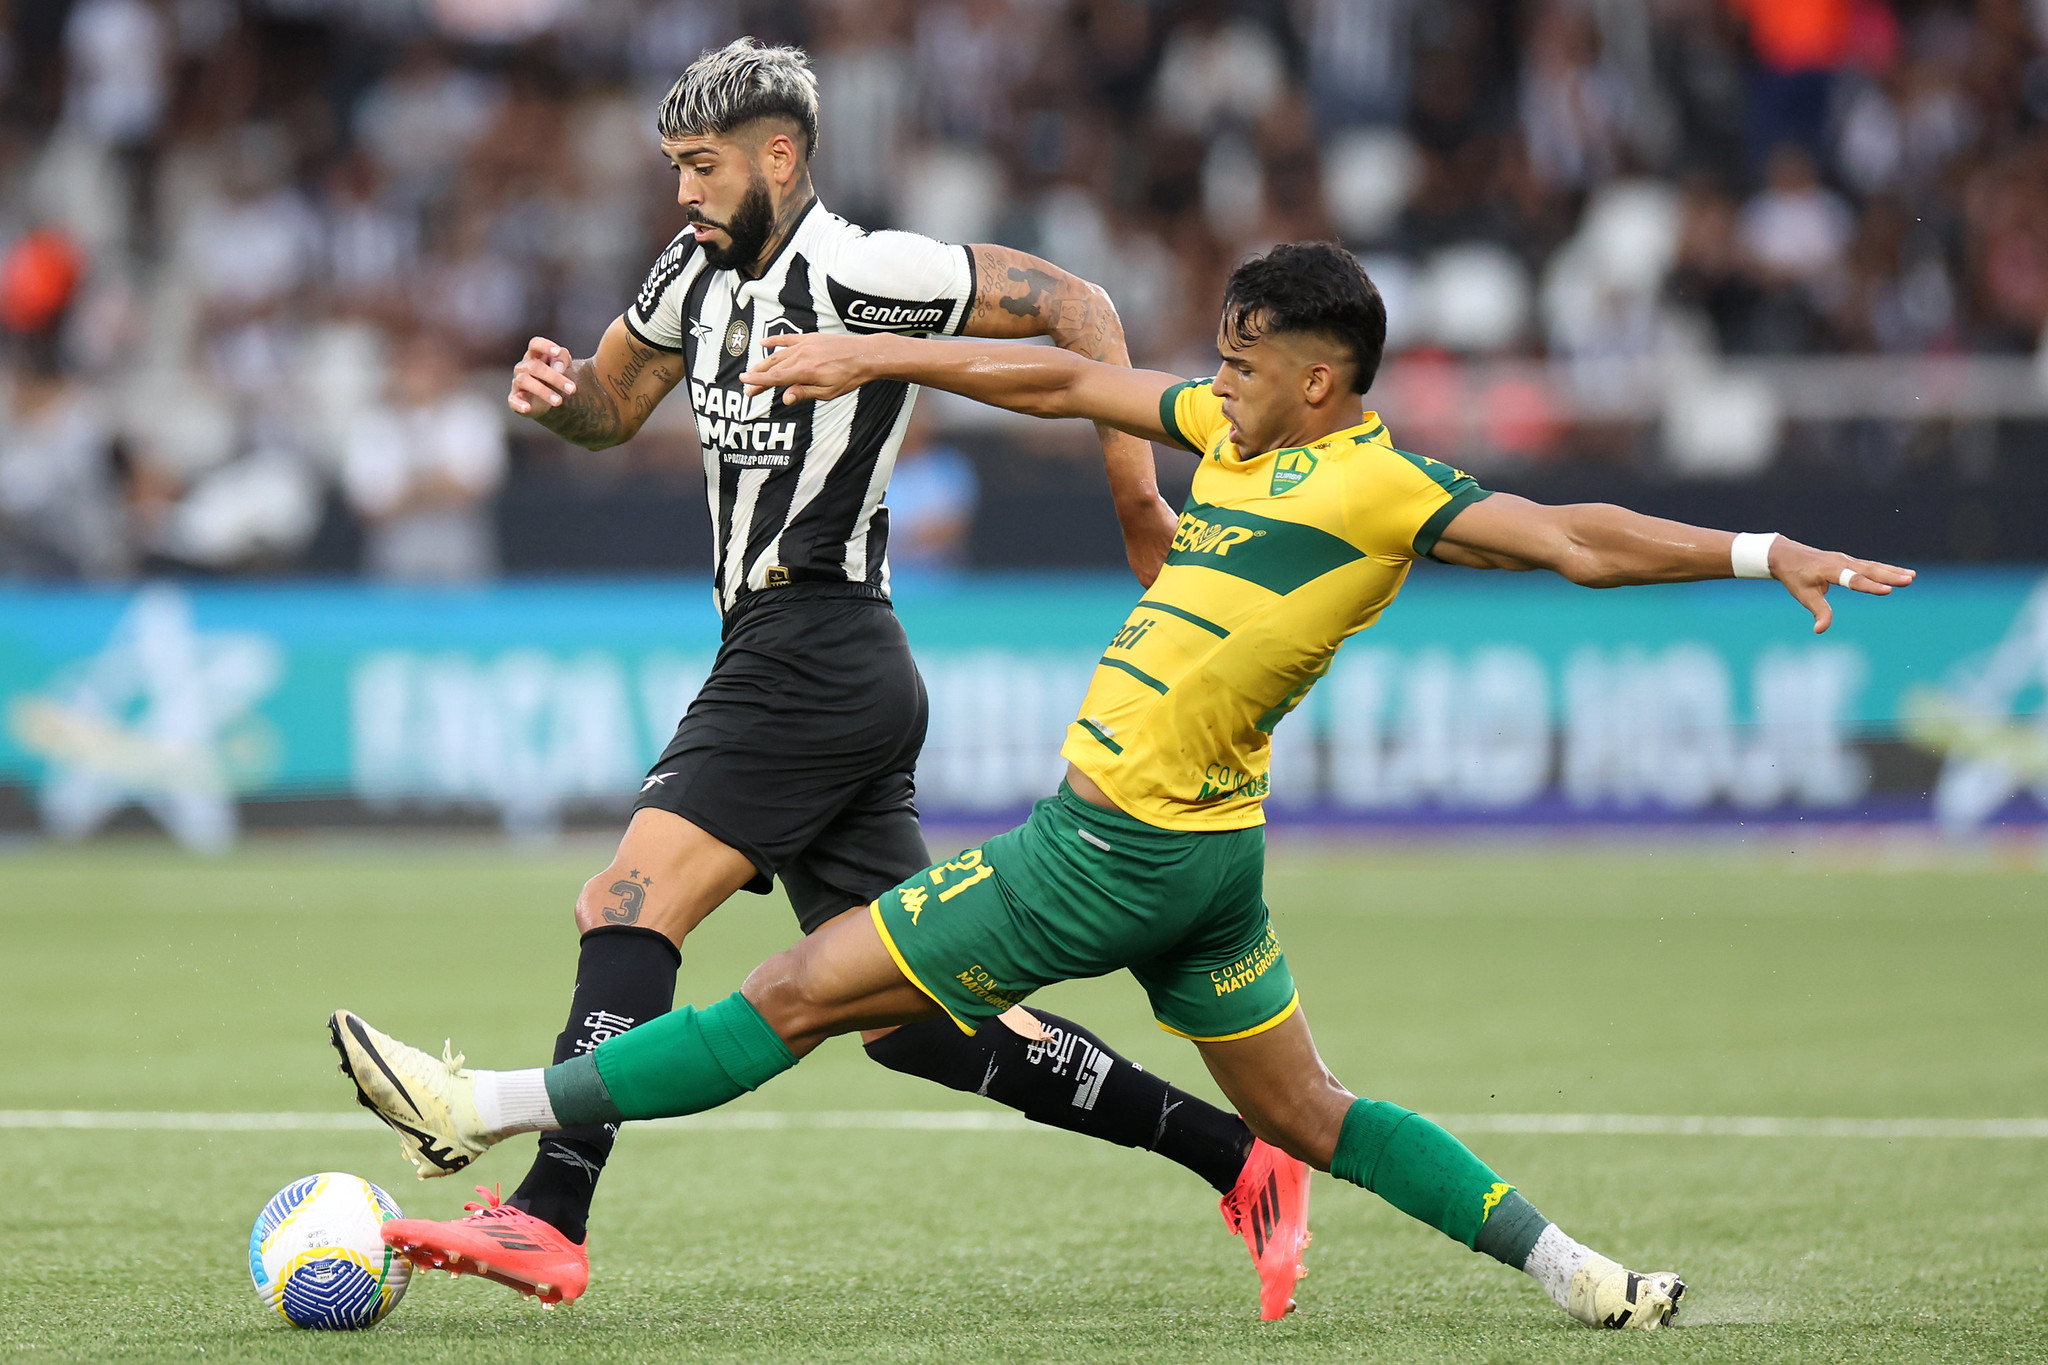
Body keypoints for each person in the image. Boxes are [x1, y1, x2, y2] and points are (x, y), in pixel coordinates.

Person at [333, 240, 1915, 1328]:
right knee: (1307, 1108)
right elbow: (1063, 386)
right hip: (1212, 859)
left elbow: (1572, 537)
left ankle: (489, 1110)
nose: (1210, 383)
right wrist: (882, 354)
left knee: (805, 988)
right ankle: (1575, 1270)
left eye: (1242, 365)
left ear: (1323, 379)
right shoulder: (1232, 441)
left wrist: (1761, 549)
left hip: (1112, 848)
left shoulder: (1383, 484)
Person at [353, 39, 1310, 1318]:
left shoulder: (867, 271)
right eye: (675, 168)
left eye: (702, 167)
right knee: (909, 1017)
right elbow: (612, 406)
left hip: (813, 647)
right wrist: (560, 401)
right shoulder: (688, 274)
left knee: (628, 899)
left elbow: (1078, 309)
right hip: (813, 661)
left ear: (780, 155)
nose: (683, 192)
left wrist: (1138, 495)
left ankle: (545, 1212)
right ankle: (1238, 1160)